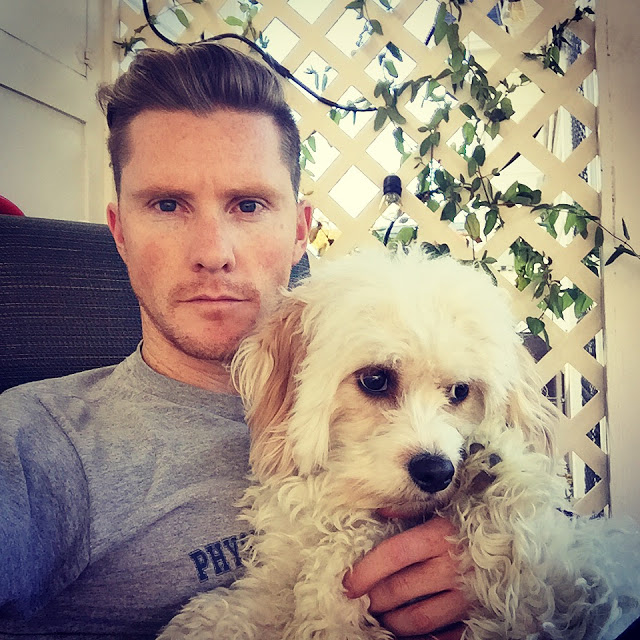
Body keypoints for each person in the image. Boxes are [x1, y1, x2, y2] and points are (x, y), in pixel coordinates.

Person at [0, 42, 467, 639]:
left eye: (248, 205)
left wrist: (508, 567)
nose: (212, 253)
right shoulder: (39, 443)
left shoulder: (425, 389)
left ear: (300, 231)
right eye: (167, 205)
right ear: (120, 233)